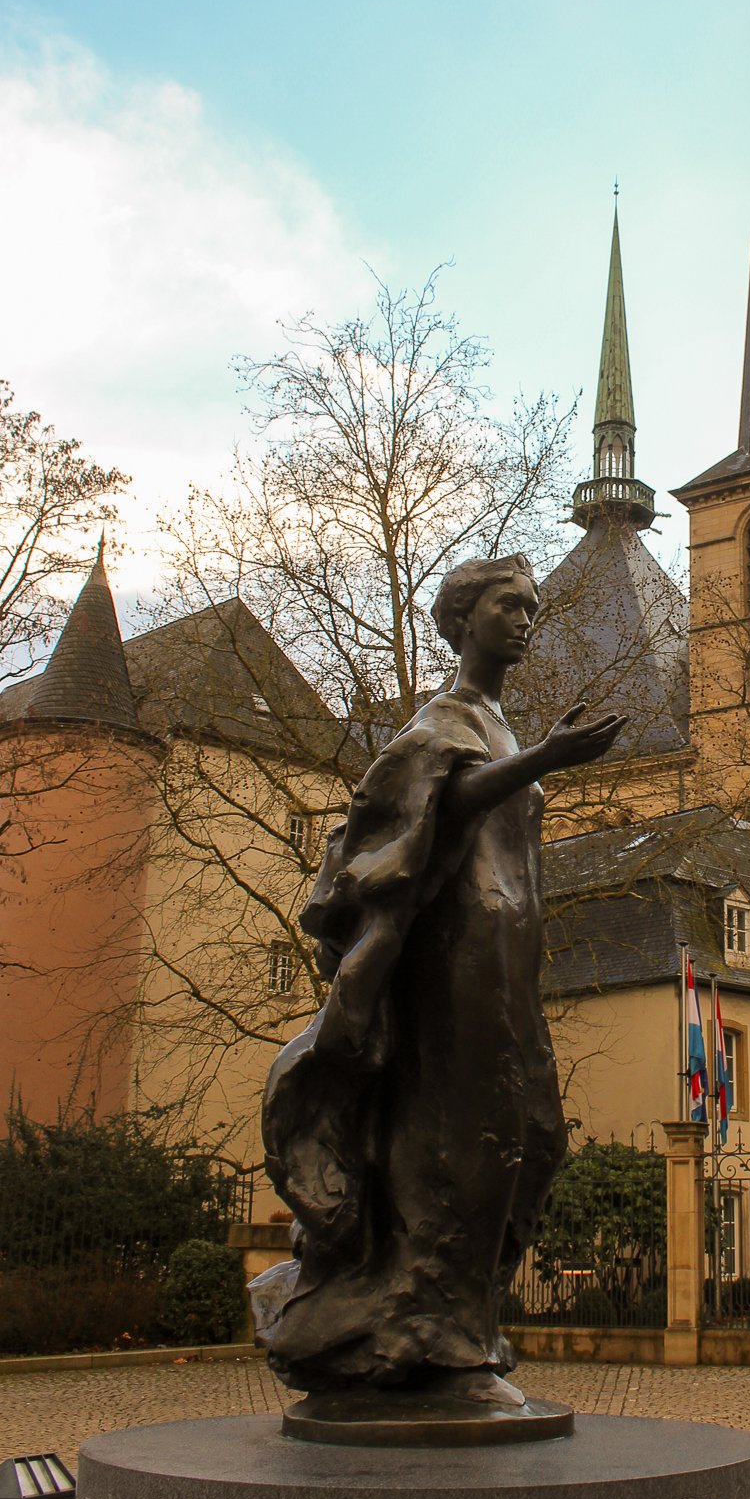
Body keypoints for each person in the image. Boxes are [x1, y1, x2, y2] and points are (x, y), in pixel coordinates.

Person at [252, 553, 624, 1403]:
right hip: (454, 954)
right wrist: (545, 759)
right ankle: (439, 1343)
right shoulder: (442, 720)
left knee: (534, 1136)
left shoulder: (497, 724)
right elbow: (433, 804)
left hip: (509, 952)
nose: (524, 621)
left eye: (531, 608)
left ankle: (463, 1322)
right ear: (461, 620)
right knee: (464, 1138)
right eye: (507, 605)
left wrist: (536, 755)